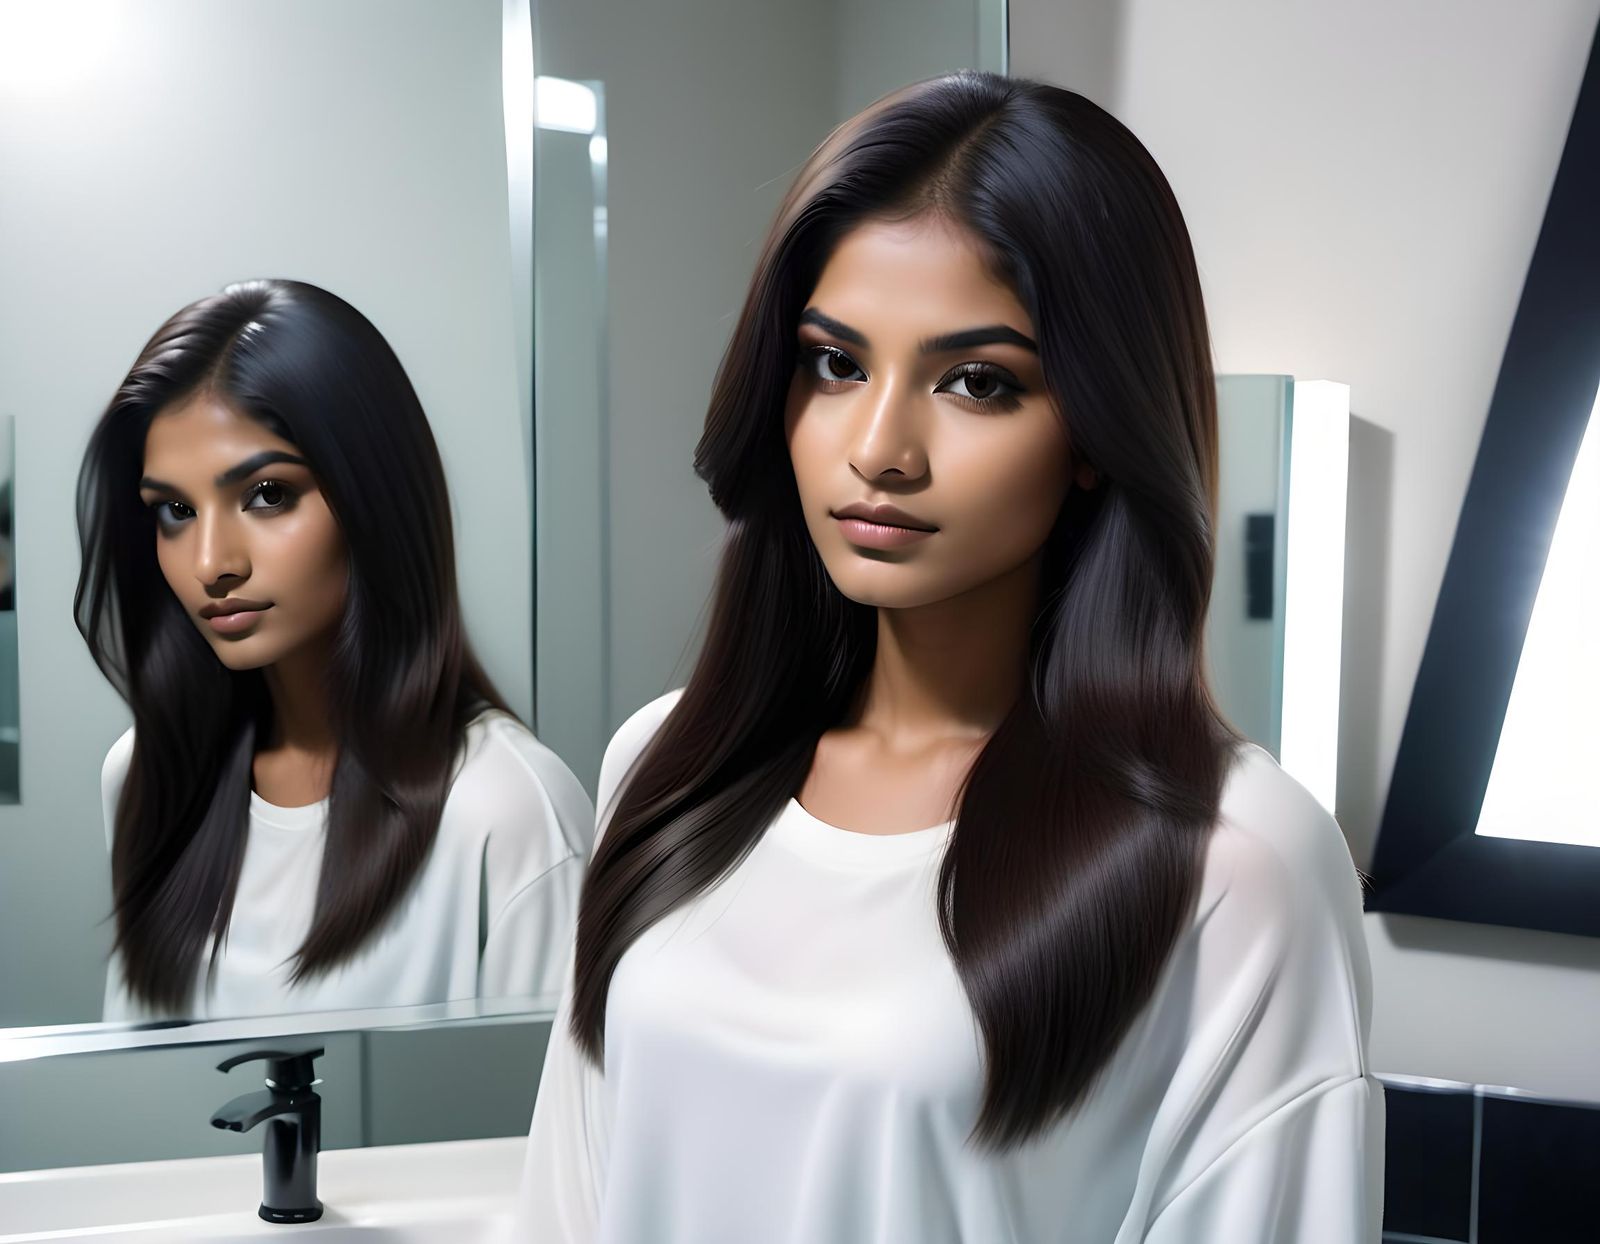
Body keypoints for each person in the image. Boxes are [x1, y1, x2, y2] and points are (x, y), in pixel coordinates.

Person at [509, 72, 1383, 1242]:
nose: (879, 449)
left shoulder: (1237, 859)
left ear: (1098, 426)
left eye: (977, 381)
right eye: (835, 364)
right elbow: (568, 1199)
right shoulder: (665, 763)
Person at [78, 279, 593, 1021]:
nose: (211, 563)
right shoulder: (145, 776)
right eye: (176, 511)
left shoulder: (507, 811)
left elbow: (548, 1096)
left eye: (267, 495)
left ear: (372, 498)